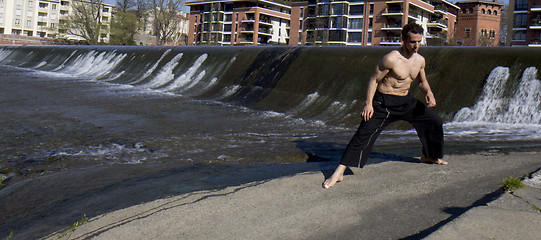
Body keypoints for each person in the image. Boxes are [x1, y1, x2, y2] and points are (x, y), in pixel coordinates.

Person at [322, 23, 447, 189]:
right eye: (412, 42)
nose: (416, 45)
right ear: (403, 40)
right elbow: (374, 79)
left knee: (434, 121)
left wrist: (428, 93)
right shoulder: (391, 58)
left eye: (419, 41)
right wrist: (368, 104)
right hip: (385, 102)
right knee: (363, 133)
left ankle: (428, 156)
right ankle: (339, 172)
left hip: (406, 101)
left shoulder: (420, 60)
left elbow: (422, 81)